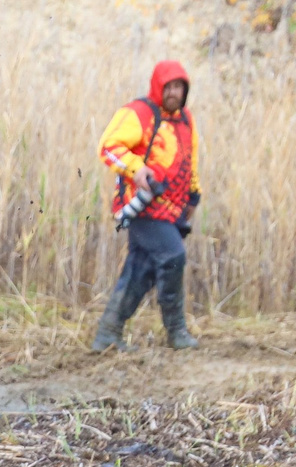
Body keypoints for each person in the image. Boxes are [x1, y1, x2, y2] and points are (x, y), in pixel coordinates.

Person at [90, 59, 202, 353]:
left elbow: (190, 160)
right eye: (169, 87)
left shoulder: (186, 120)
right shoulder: (139, 113)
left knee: (141, 269)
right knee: (173, 256)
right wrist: (137, 169)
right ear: (158, 86)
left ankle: (107, 334)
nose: (174, 93)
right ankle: (176, 331)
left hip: (172, 209)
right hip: (142, 206)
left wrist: (193, 196)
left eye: (179, 87)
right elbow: (108, 146)